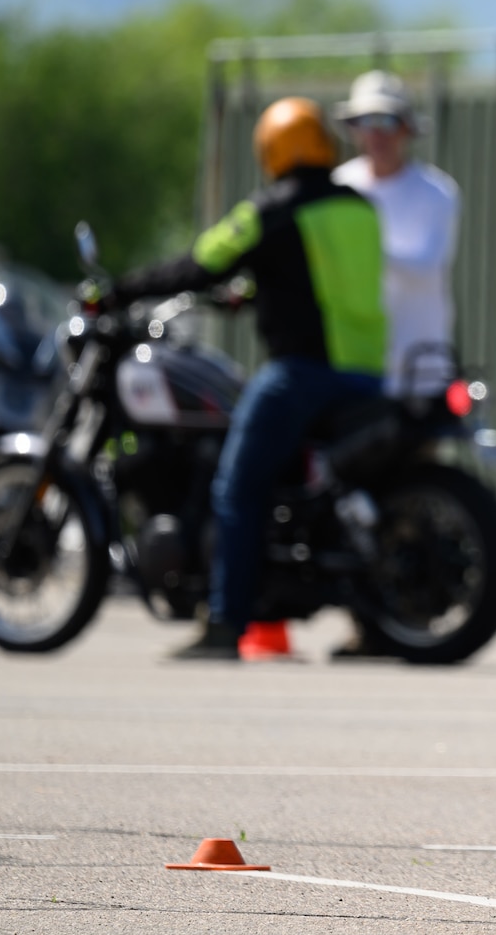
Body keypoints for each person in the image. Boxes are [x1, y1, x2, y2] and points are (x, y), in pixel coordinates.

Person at [110, 97, 388, 658]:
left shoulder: (271, 211)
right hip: (369, 373)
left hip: (303, 374)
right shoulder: (360, 207)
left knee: (236, 488)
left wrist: (120, 290)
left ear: (273, 150)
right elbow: (320, 277)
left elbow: (199, 262)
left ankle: (225, 623)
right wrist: (260, 290)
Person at [332, 71, 463, 396]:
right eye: (366, 121)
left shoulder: (438, 192)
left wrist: (365, 247)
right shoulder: (339, 186)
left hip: (420, 368)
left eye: (387, 121)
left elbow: (428, 267)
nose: (377, 134)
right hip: (354, 365)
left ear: (406, 127)